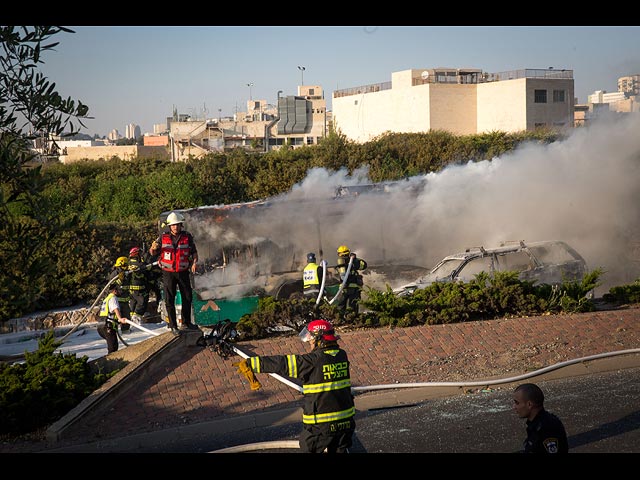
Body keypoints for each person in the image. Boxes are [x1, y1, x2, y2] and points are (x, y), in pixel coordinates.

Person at [234, 319, 356, 453]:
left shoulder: (312, 361)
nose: (310, 344)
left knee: (308, 448)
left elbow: (283, 363)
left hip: (321, 426)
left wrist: (251, 364)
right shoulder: (342, 356)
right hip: (346, 423)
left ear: (319, 340)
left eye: (310, 341)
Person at [149, 211, 199, 336]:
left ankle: (186, 323)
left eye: (177, 224)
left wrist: (194, 263)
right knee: (169, 299)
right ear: (169, 226)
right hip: (168, 273)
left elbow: (193, 252)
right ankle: (173, 326)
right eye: (173, 225)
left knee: (187, 297)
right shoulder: (163, 237)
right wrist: (153, 248)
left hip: (183, 272)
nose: (175, 227)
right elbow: (153, 253)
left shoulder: (187, 237)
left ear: (181, 225)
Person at [513, 383, 569, 454]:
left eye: (517, 403)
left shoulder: (547, 428)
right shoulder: (536, 423)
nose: (514, 407)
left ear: (529, 404)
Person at [334, 245, 367, 315]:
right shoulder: (353, 261)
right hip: (353, 288)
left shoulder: (343, 262)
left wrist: (355, 259)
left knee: (341, 305)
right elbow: (364, 265)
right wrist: (356, 259)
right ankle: (352, 318)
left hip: (345, 288)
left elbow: (343, 276)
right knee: (353, 305)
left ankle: (341, 319)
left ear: (339, 254)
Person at [96, 284, 129, 354]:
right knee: (113, 348)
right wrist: (120, 319)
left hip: (101, 326)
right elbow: (115, 309)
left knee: (113, 345)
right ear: (115, 291)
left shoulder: (106, 299)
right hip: (108, 326)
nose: (120, 291)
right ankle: (111, 362)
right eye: (119, 290)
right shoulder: (113, 298)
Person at [127, 246, 150, 324]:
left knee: (133, 304)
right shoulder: (137, 263)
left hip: (131, 289)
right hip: (138, 288)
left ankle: (131, 319)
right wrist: (147, 266)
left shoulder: (129, 262)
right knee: (141, 303)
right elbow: (143, 269)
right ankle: (136, 319)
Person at [109, 256, 132, 332]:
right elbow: (110, 287)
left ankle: (126, 333)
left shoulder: (127, 273)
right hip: (117, 301)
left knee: (127, 318)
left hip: (125, 301)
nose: (127, 267)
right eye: (125, 265)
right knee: (116, 319)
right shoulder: (115, 274)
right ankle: (112, 333)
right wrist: (119, 280)